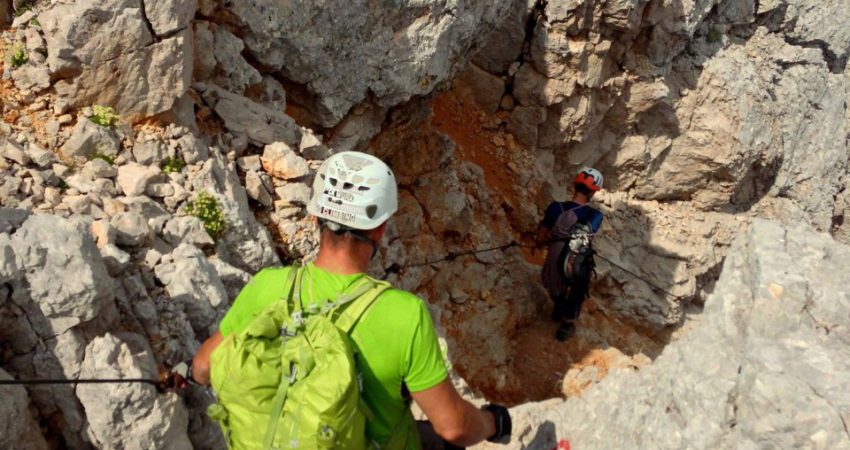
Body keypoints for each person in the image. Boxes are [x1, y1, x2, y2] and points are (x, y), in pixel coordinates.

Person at [182, 151, 511, 450]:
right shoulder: (403, 314)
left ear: (315, 218)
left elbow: (202, 368)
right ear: (379, 228)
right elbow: (455, 428)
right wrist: (493, 422)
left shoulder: (268, 285)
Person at [535, 167, 604, 342]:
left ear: (574, 185)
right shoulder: (595, 215)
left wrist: (542, 242)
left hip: (554, 256)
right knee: (579, 285)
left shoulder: (554, 207)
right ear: (593, 192)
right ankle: (567, 324)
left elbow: (541, 236)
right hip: (577, 259)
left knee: (553, 278)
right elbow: (588, 235)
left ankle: (558, 307)